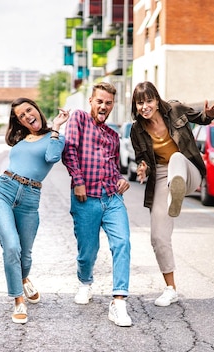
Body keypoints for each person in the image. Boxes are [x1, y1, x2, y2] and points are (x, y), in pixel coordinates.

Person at [130, 81, 214, 307]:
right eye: (140, 102)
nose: (145, 106)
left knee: (175, 159)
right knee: (158, 236)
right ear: (135, 105)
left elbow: (200, 118)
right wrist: (142, 168)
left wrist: (208, 115)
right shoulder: (137, 130)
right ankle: (170, 288)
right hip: (161, 177)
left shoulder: (175, 110)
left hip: (187, 168)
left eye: (149, 100)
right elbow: (141, 158)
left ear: (157, 99)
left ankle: (177, 191)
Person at [0, 98, 70, 324]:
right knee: (11, 246)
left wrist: (56, 127)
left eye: (28, 111)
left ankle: (23, 278)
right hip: (2, 190)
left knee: (25, 252)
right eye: (20, 116)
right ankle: (18, 300)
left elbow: (52, 157)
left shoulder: (56, 137)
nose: (26, 116)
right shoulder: (21, 139)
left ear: (37, 110)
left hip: (31, 197)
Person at [62, 82, 133, 327]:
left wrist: (122, 180)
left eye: (108, 103)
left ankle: (119, 302)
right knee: (88, 251)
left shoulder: (113, 136)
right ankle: (85, 282)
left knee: (122, 243)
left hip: (112, 197)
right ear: (91, 101)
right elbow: (69, 149)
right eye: (99, 101)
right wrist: (78, 181)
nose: (104, 106)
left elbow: (113, 167)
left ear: (113, 105)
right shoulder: (79, 118)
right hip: (86, 198)